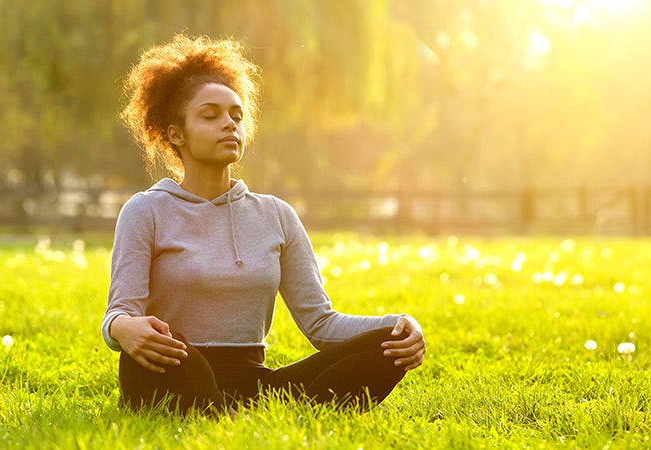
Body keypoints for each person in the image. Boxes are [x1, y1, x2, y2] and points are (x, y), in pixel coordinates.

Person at [102, 34, 425, 415]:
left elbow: (321, 323)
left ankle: (227, 412)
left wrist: (400, 325)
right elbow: (119, 312)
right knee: (178, 360)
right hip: (172, 367)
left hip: (253, 383)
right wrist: (124, 329)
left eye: (236, 116)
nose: (229, 124)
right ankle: (221, 411)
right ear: (176, 133)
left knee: (389, 344)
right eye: (211, 115)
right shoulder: (146, 211)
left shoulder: (276, 215)